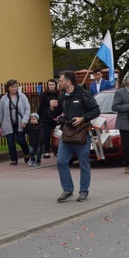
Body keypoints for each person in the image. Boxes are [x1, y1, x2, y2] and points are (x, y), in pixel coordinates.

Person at [50, 70, 100, 203]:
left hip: (81, 134)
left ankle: (84, 191)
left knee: (83, 163)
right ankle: (67, 190)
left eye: (60, 81)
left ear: (68, 82)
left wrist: (83, 118)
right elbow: (56, 116)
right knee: (61, 161)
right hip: (67, 134)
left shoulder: (84, 94)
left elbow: (96, 110)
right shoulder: (62, 97)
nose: (59, 83)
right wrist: (52, 108)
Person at [0, 79, 31, 165]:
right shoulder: (4, 98)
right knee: (10, 142)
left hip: (20, 123)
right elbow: (0, 112)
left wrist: (25, 121)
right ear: (8, 88)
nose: (14, 88)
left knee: (21, 140)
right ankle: (14, 159)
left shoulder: (22, 96)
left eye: (15, 86)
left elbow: (27, 109)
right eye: (12, 87)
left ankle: (27, 153)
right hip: (8, 123)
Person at [38, 78, 60, 158]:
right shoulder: (44, 94)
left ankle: (57, 150)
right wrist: (39, 118)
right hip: (46, 118)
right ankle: (47, 151)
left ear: (55, 86)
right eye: (49, 85)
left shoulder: (59, 94)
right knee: (46, 135)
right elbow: (41, 107)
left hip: (56, 117)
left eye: (52, 85)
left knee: (57, 135)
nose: (51, 86)